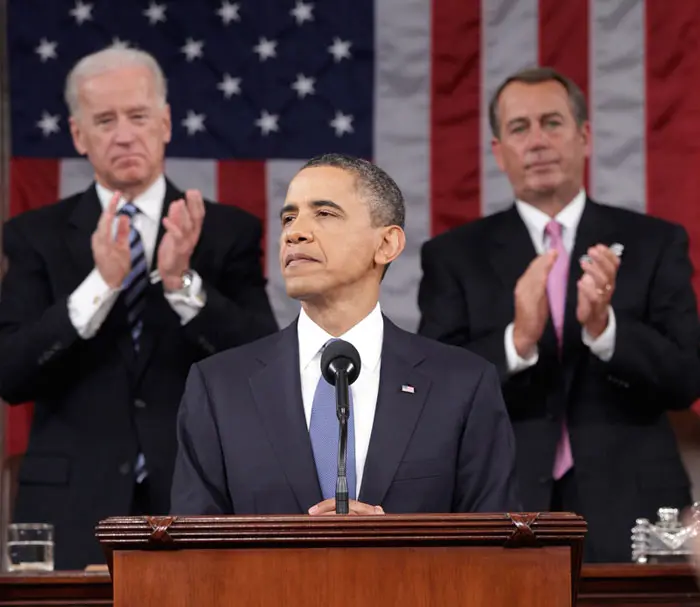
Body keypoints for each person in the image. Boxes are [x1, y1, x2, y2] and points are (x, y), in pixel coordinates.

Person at [0, 47, 278, 569]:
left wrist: (181, 282)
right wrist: (99, 287)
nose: (124, 134)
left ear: (166, 122)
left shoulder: (225, 232)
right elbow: (10, 373)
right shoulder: (33, 236)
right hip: (72, 506)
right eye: (105, 120)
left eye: (138, 116)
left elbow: (262, 364)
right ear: (79, 136)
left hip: (196, 501)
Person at [417, 66, 700, 562]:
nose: (538, 141)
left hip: (634, 509)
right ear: (498, 152)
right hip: (503, 510)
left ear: (585, 136)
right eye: (519, 128)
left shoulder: (655, 242)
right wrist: (518, 341)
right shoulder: (453, 255)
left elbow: (686, 378)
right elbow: (435, 394)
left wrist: (605, 330)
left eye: (552, 122)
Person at [170, 153, 520, 517]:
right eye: (289, 217)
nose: (295, 232)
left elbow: (494, 549)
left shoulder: (462, 384)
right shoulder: (219, 388)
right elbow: (193, 556)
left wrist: (393, 545)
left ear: (387, 245)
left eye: (324, 214)